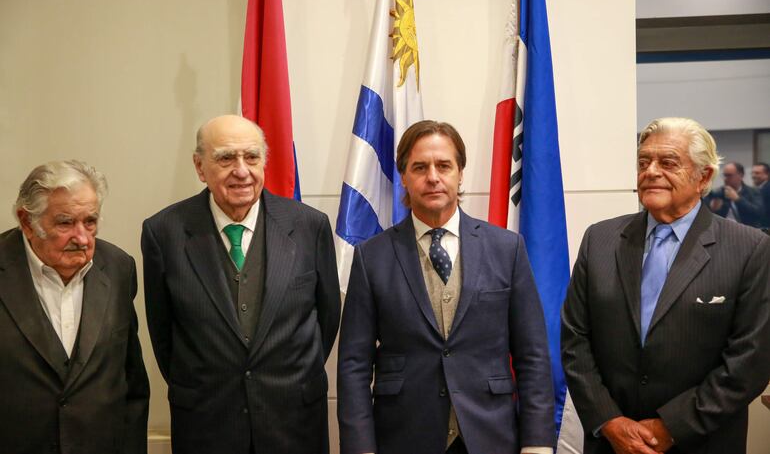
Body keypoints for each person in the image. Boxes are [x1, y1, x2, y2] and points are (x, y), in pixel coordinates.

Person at [338, 120, 555, 454]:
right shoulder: (372, 257)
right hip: (404, 436)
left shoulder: (506, 249)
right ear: (404, 177)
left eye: (444, 166)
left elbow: (533, 355)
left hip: (491, 435)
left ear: (460, 173)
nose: (433, 177)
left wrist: (537, 444)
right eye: (420, 167)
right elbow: (353, 365)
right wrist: (360, 447)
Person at [562, 117, 770, 454]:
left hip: (702, 442)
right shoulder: (599, 239)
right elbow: (575, 341)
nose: (651, 171)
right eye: (644, 162)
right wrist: (609, 421)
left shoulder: (748, 248)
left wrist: (672, 426)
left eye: (667, 162)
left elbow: (750, 361)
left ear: (704, 177)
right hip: (611, 444)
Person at [142, 114, 340, 454]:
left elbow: (327, 317)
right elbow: (163, 335)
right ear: (200, 167)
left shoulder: (310, 226)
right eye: (225, 158)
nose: (241, 170)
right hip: (206, 425)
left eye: (251, 157)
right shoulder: (164, 232)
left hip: (294, 423)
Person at [0, 160, 150, 454]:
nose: (82, 238)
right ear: (27, 222)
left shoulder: (118, 268)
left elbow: (132, 384)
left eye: (90, 221)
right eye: (65, 222)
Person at [706, 161, 764, 227]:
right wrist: (713, 208)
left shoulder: (753, 192)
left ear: (741, 175)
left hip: (746, 230)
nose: (725, 179)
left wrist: (737, 199)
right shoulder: (718, 192)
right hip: (723, 230)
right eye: (724, 175)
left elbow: (758, 213)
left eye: (729, 175)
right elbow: (705, 215)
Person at [750, 162, 770, 229]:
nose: (753, 175)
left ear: (767, 174)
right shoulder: (759, 189)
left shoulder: (767, 189)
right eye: (752, 173)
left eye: (757, 173)